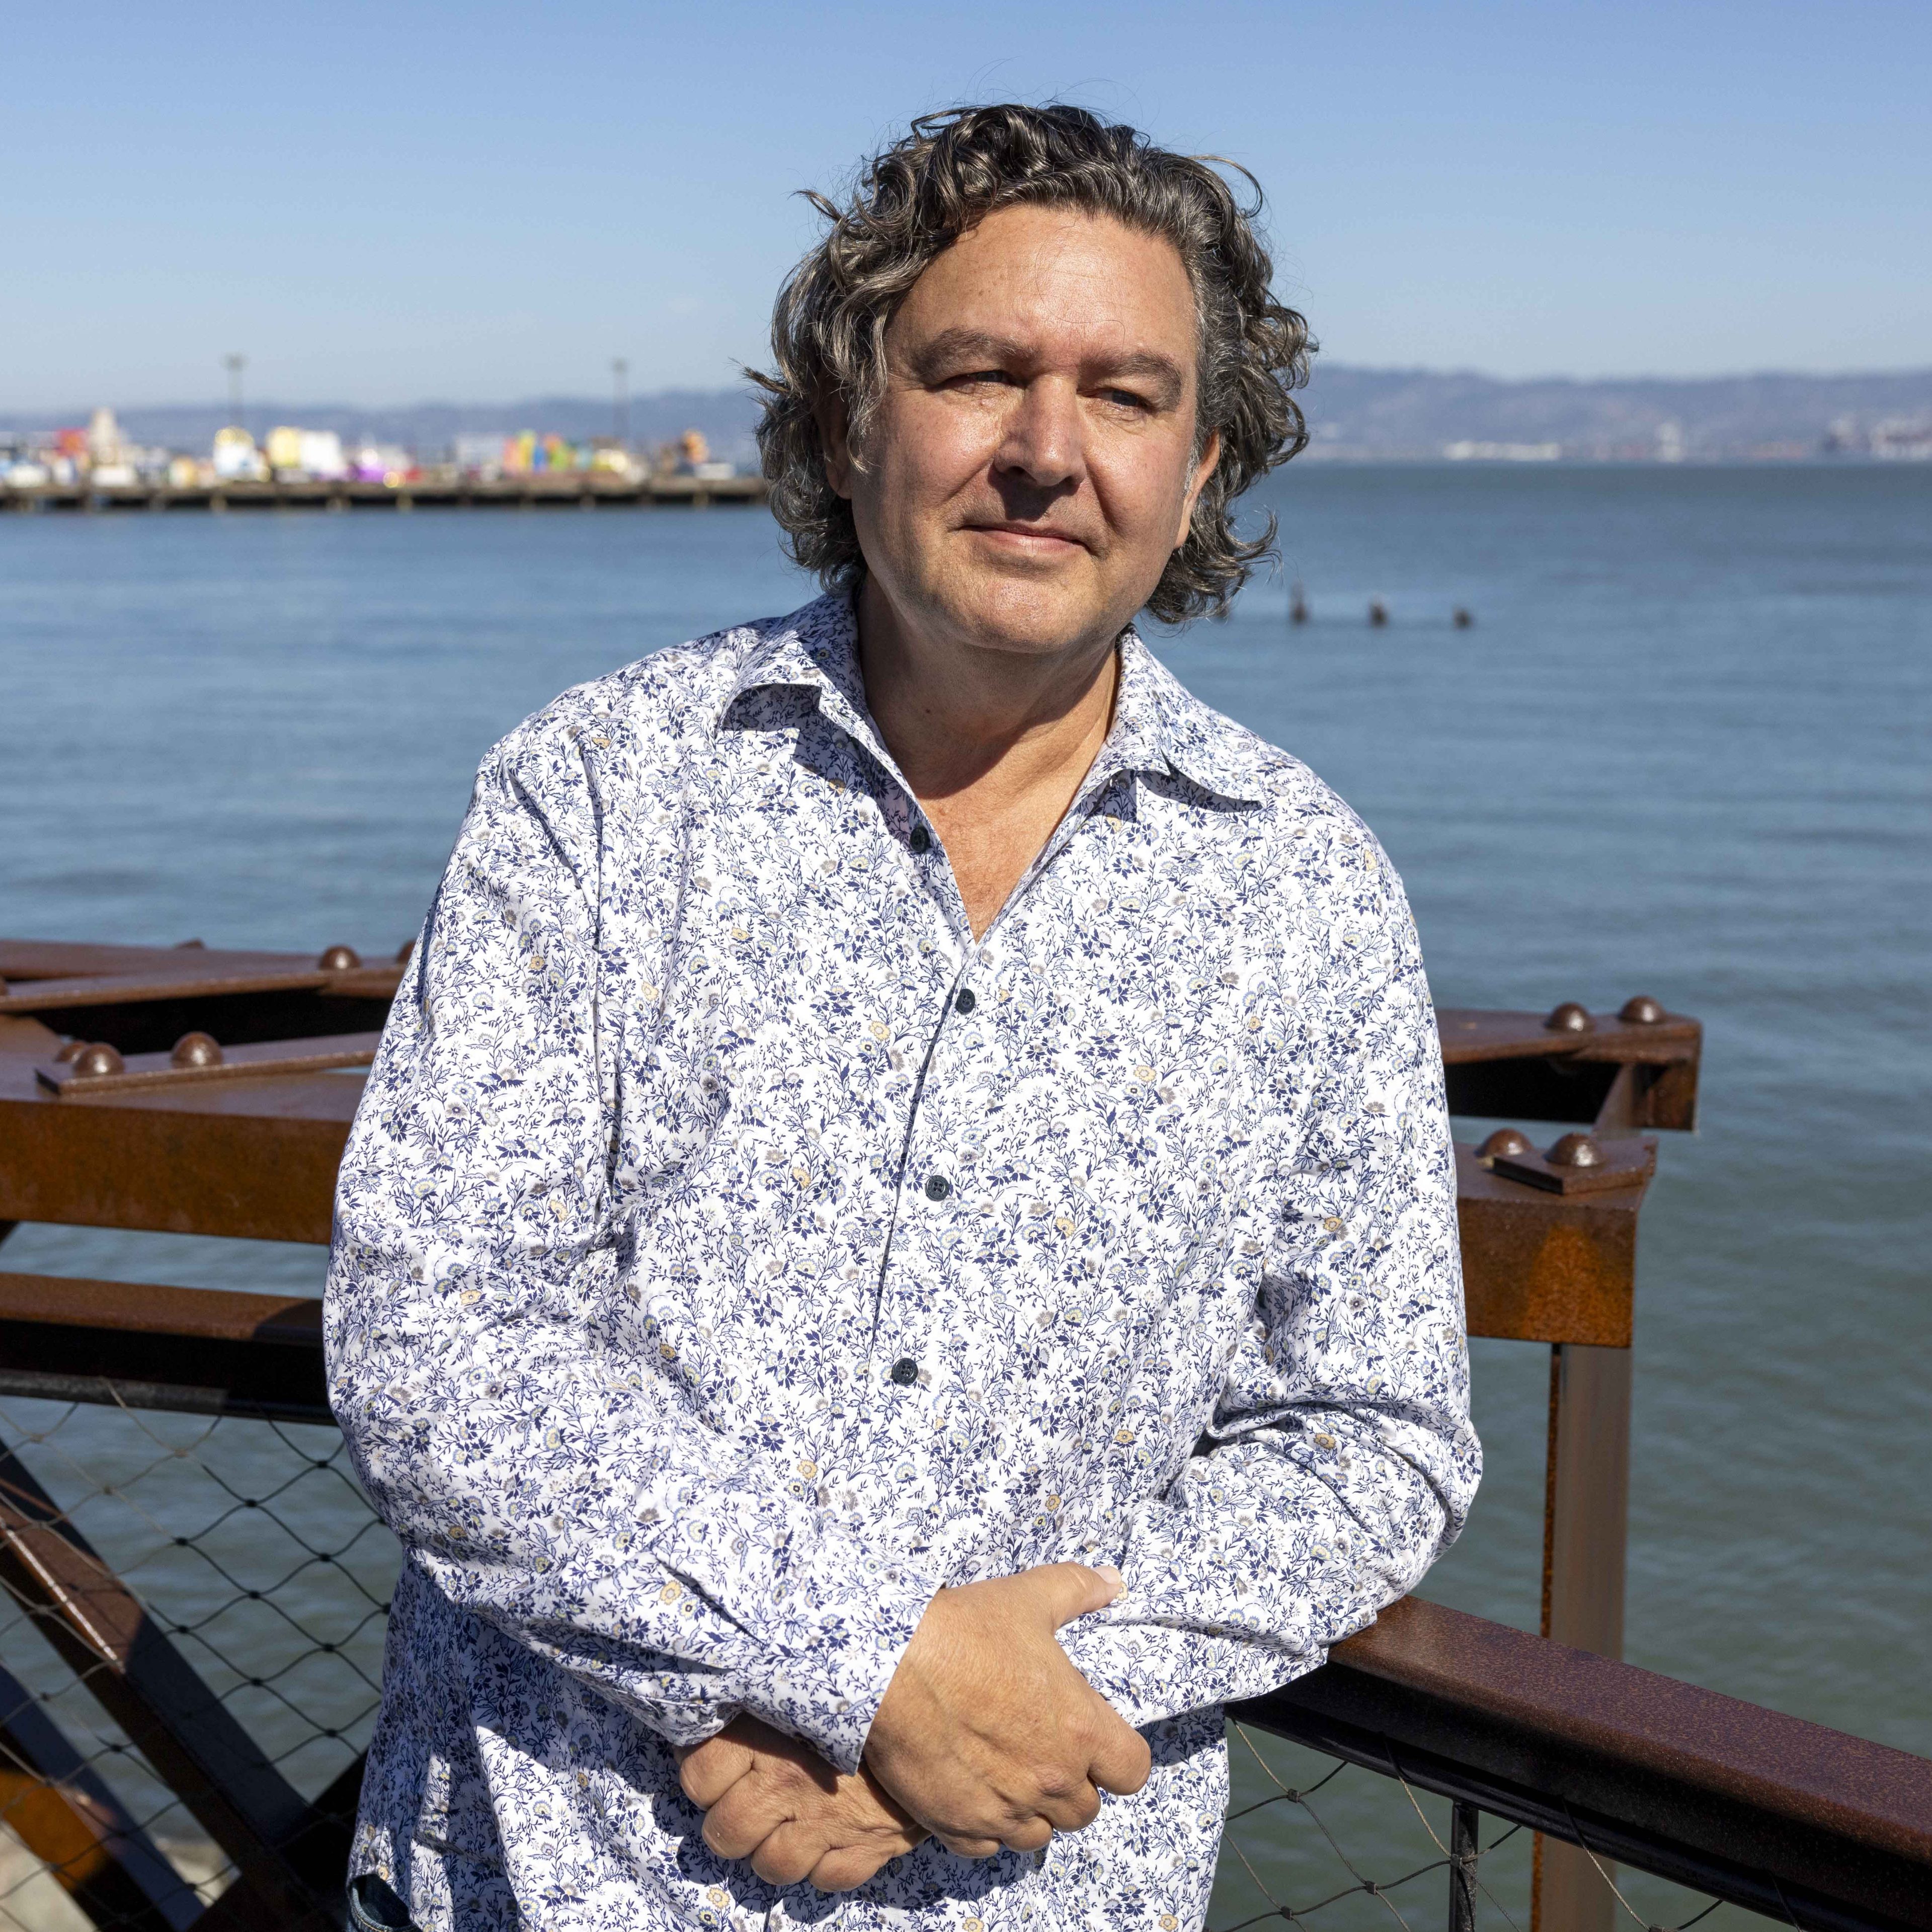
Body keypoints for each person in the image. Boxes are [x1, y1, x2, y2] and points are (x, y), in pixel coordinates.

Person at [327, 102, 1479, 1932]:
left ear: (1200, 468)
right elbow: (439, 1331)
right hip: (551, 1879)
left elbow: (1372, 1429)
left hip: (1039, 1887)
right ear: (851, 420)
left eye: (1124, 394)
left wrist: (1004, 1703)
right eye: (977, 374)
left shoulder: (1308, 892)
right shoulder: (600, 792)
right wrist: (868, 1664)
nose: (1046, 451)